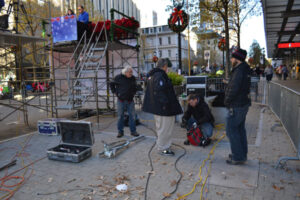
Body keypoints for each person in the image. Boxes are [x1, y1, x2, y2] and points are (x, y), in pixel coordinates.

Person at [142, 58, 183, 156]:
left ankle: (164, 145)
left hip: (159, 109)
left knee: (162, 129)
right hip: (164, 109)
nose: (167, 69)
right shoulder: (159, 76)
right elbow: (159, 92)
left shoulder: (153, 75)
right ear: (164, 66)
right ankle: (163, 148)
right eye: (167, 67)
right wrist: (166, 105)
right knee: (165, 129)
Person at [224, 48, 251, 165]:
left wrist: (226, 101)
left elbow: (234, 89)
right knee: (240, 130)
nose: (231, 59)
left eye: (232, 57)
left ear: (237, 59)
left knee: (231, 130)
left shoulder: (239, 71)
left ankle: (238, 156)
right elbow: (238, 85)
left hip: (237, 105)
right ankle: (241, 154)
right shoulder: (244, 69)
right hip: (243, 104)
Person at [110, 66, 139, 138]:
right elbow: (111, 84)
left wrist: (133, 92)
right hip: (121, 100)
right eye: (130, 72)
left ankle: (133, 131)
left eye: (131, 72)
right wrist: (115, 92)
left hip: (130, 100)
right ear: (125, 72)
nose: (131, 73)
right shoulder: (118, 77)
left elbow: (135, 86)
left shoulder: (133, 78)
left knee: (132, 116)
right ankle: (120, 131)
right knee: (120, 117)